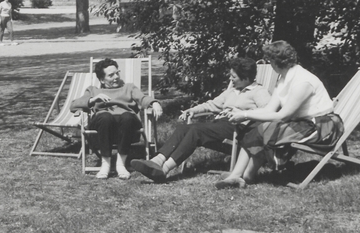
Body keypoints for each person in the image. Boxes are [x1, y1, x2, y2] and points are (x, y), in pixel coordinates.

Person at [217, 40, 342, 189]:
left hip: (320, 127)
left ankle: (247, 175)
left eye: (269, 60)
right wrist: (243, 113)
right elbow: (270, 109)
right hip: (302, 122)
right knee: (256, 125)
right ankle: (236, 175)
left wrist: (245, 115)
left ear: (275, 62)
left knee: (266, 130)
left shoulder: (303, 82)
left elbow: (283, 116)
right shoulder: (283, 78)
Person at [129, 57, 270, 183]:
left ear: (245, 77)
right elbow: (211, 104)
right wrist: (193, 110)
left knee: (196, 130)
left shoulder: (259, 92)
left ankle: (164, 169)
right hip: (220, 125)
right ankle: (156, 160)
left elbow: (268, 111)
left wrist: (243, 114)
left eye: (233, 76)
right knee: (183, 128)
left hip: (237, 128)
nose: (230, 79)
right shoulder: (232, 90)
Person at [71, 58, 163, 180]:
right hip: (103, 127)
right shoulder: (93, 90)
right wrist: (93, 100)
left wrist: (154, 102)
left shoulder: (129, 88)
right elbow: (73, 105)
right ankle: (106, 164)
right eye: (111, 75)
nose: (116, 77)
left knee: (127, 116)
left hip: (128, 126)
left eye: (117, 73)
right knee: (105, 117)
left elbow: (142, 98)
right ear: (102, 80)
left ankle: (120, 164)